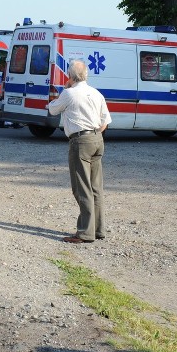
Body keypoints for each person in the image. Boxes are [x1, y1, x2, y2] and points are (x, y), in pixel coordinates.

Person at [46, 59, 111, 243]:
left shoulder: (69, 93)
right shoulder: (96, 93)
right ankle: (98, 230)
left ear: (70, 76)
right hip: (97, 138)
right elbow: (105, 121)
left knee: (82, 188)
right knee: (96, 187)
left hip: (80, 141)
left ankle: (84, 232)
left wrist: (65, 88)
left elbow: (52, 109)